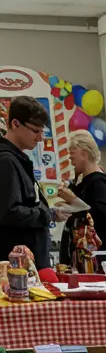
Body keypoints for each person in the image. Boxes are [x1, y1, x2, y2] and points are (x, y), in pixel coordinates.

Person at [0, 95, 53, 269]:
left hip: (29, 264)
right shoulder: (6, 161)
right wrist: (46, 214)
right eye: (35, 131)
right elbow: (10, 212)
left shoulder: (17, 160)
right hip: (18, 269)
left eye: (42, 132)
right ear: (15, 124)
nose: (40, 138)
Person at [59, 130, 106, 267]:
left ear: (84, 154)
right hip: (85, 255)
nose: (71, 160)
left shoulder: (99, 182)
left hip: (98, 257)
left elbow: (100, 214)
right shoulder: (85, 182)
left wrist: (73, 199)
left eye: (72, 155)